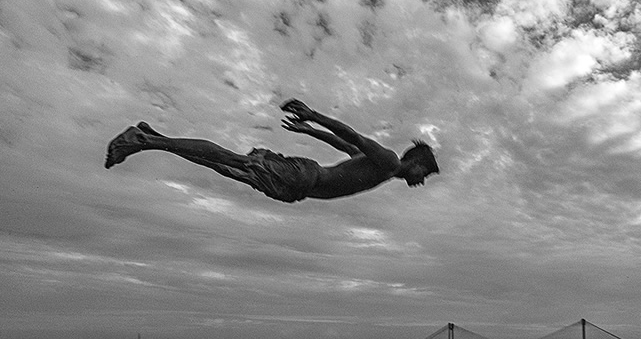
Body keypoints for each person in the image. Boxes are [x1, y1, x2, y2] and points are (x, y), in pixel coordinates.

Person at [104, 99, 439, 203]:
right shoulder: (390, 161)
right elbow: (354, 136)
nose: (422, 181)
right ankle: (141, 140)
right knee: (227, 159)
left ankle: (149, 136)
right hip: (303, 177)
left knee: (224, 167)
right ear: (417, 163)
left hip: (297, 187)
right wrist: (313, 116)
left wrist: (311, 131)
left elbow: (345, 146)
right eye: (426, 174)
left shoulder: (384, 170)